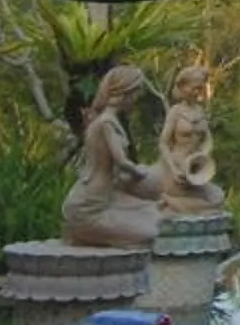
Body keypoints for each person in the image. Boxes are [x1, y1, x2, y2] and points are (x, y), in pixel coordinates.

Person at [60, 64, 165, 248]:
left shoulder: (106, 120)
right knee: (152, 232)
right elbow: (122, 162)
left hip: (111, 196)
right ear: (124, 92)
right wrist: (143, 174)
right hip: (91, 206)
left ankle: (90, 232)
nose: (136, 100)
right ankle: (82, 232)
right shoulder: (106, 123)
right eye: (134, 94)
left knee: (159, 215)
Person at [158, 64, 225, 214]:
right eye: (194, 88)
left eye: (200, 88)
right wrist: (174, 168)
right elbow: (163, 143)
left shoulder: (200, 111)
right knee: (205, 202)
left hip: (195, 168)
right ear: (183, 87)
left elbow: (208, 139)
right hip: (177, 169)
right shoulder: (175, 112)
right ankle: (168, 201)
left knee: (217, 196)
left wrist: (204, 153)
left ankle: (173, 204)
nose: (196, 92)